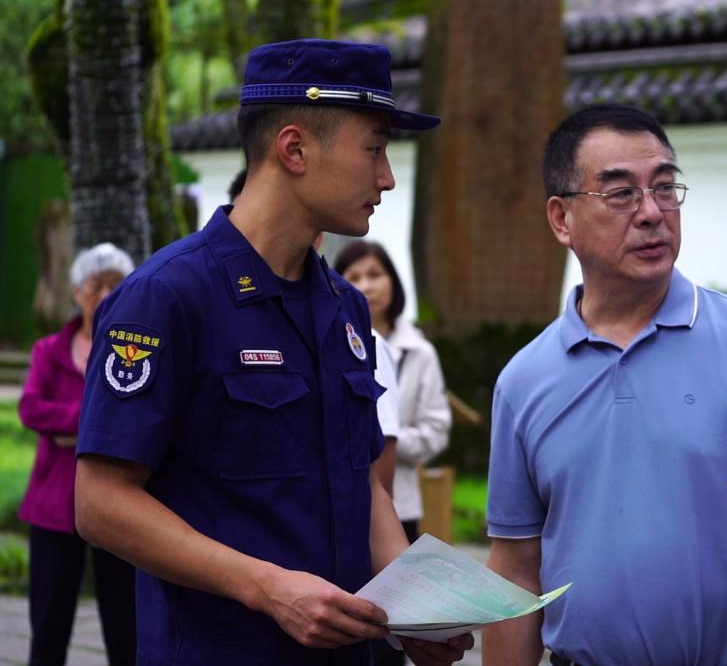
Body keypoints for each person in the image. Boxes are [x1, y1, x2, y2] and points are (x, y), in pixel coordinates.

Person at [73, 38, 472, 666]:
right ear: (294, 148)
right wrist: (268, 589)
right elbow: (100, 503)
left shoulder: (346, 306)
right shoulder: (167, 297)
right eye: (374, 149)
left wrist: (412, 606)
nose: (387, 177)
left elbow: (361, 478)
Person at [483, 104, 727, 666]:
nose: (651, 213)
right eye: (620, 193)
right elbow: (516, 565)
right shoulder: (525, 379)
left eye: (665, 188)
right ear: (561, 218)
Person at [18, 243, 137, 666]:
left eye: (115, 285)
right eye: (95, 285)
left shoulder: (135, 349)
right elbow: (31, 408)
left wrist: (69, 430)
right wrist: (98, 424)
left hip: (119, 504)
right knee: (49, 626)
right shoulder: (49, 350)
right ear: (76, 292)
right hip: (53, 506)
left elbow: (141, 417)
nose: (105, 295)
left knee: (126, 628)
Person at [336, 240, 453, 666]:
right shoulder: (335, 335)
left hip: (399, 498)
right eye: (355, 277)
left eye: (375, 274)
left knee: (394, 620)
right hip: (352, 496)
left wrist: (392, 440)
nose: (367, 286)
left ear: (393, 282)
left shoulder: (418, 350)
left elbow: (437, 427)